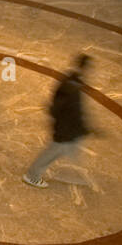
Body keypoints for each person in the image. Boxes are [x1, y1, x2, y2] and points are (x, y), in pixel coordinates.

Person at [23, 53, 93, 188]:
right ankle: (32, 176)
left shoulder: (71, 80)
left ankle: (70, 171)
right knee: (53, 151)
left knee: (63, 149)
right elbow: (67, 109)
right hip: (65, 129)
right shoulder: (72, 86)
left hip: (67, 128)